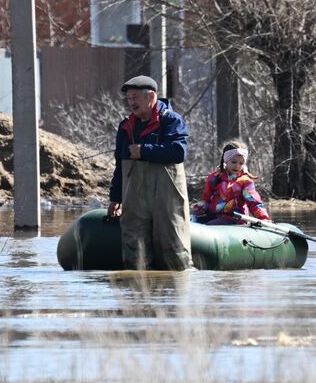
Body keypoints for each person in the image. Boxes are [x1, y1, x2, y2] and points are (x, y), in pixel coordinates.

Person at [107, 75, 192, 270]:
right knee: (133, 251)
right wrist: (115, 198)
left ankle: (172, 287)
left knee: (173, 251)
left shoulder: (172, 121)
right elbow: (120, 165)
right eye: (129, 98)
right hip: (135, 200)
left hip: (167, 200)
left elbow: (179, 152)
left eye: (135, 97)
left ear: (151, 96)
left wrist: (144, 151)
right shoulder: (125, 126)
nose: (131, 103)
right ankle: (135, 285)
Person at [193, 141, 270, 225]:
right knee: (193, 220)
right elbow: (206, 199)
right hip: (214, 216)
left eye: (241, 163)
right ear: (226, 160)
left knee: (211, 224)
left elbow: (254, 202)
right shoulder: (214, 178)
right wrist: (199, 208)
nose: (237, 166)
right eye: (234, 162)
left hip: (235, 219)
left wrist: (263, 218)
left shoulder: (245, 181)